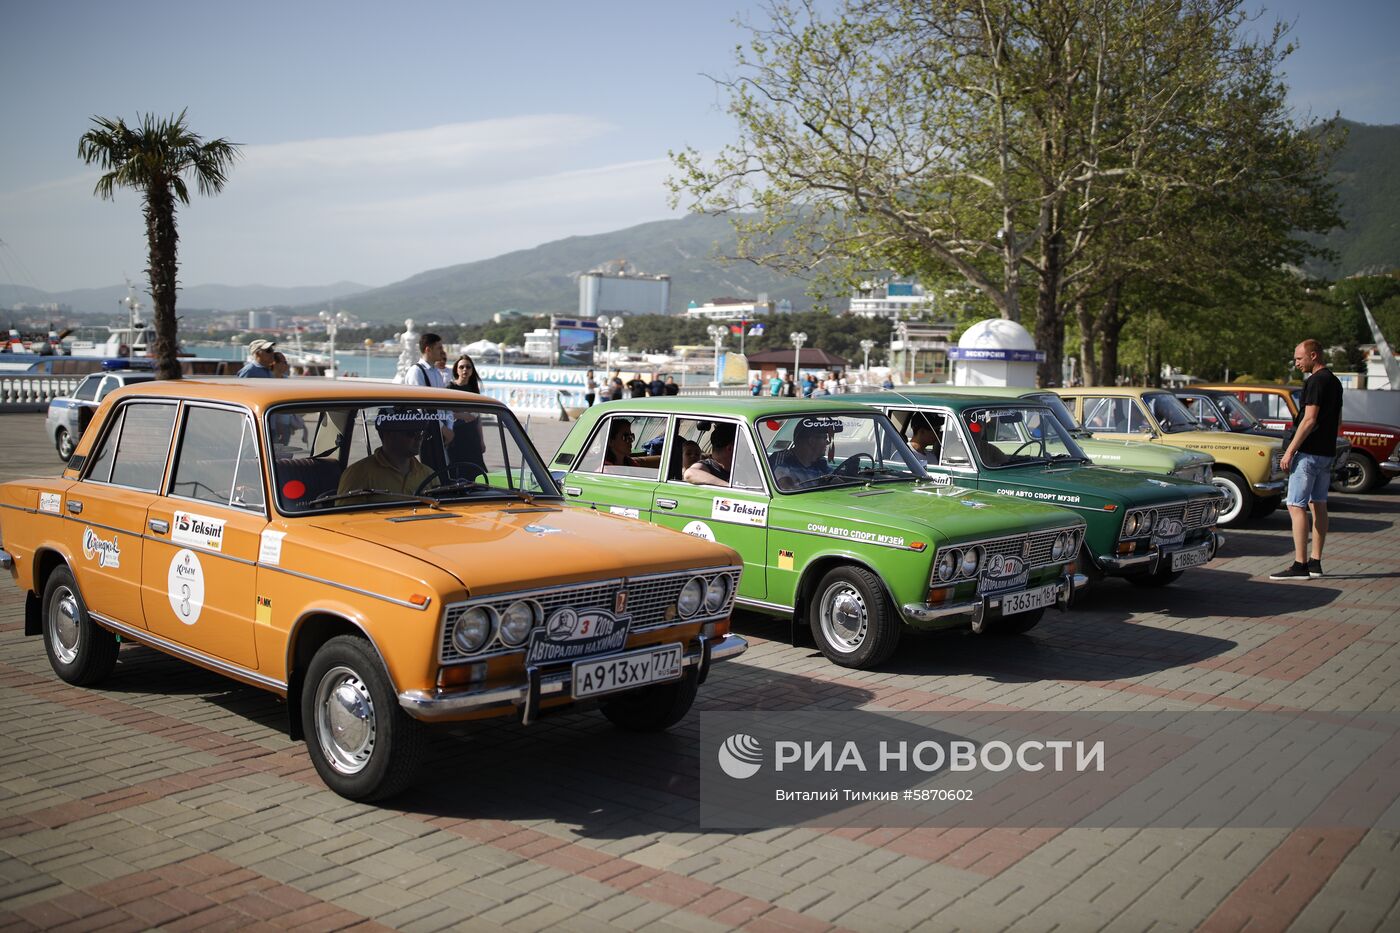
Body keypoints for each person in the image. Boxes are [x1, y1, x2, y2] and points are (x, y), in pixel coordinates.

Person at [1271, 339, 1344, 580]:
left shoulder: (1315, 381)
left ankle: (1300, 564)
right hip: (1326, 453)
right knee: (1319, 503)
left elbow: (1309, 419)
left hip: (1309, 453)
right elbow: (1338, 419)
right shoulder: (1334, 381)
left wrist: (1291, 450)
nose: (1296, 363)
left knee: (1295, 505)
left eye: (1299, 358)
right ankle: (1315, 561)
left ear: (1314, 356)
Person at [337, 409, 437, 500]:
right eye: (411, 433)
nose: (419, 438)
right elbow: (345, 518)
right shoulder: (357, 475)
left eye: (421, 433)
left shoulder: (429, 475)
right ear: (388, 435)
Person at [402, 332, 454, 444]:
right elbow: (420, 408)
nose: (442, 351)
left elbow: (445, 404)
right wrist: (443, 429)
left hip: (440, 433)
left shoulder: (436, 373)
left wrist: (449, 427)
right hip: (424, 434)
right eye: (439, 348)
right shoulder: (416, 372)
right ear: (428, 350)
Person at [445, 354, 485, 479]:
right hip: (456, 436)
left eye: (468, 367)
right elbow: (444, 413)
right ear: (456, 369)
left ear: (472, 370)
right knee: (457, 470)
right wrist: (461, 415)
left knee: (477, 471)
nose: (465, 370)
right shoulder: (450, 388)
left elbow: (478, 418)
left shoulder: (474, 389)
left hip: (472, 436)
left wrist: (481, 440)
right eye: (461, 367)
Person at [770, 419, 836, 490]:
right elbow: (785, 487)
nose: (828, 442)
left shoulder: (820, 462)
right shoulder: (783, 459)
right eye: (824, 438)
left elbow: (836, 480)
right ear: (812, 441)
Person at [684, 423, 737, 487]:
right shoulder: (709, 466)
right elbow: (690, 474)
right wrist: (727, 485)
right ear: (730, 448)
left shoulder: (737, 468)